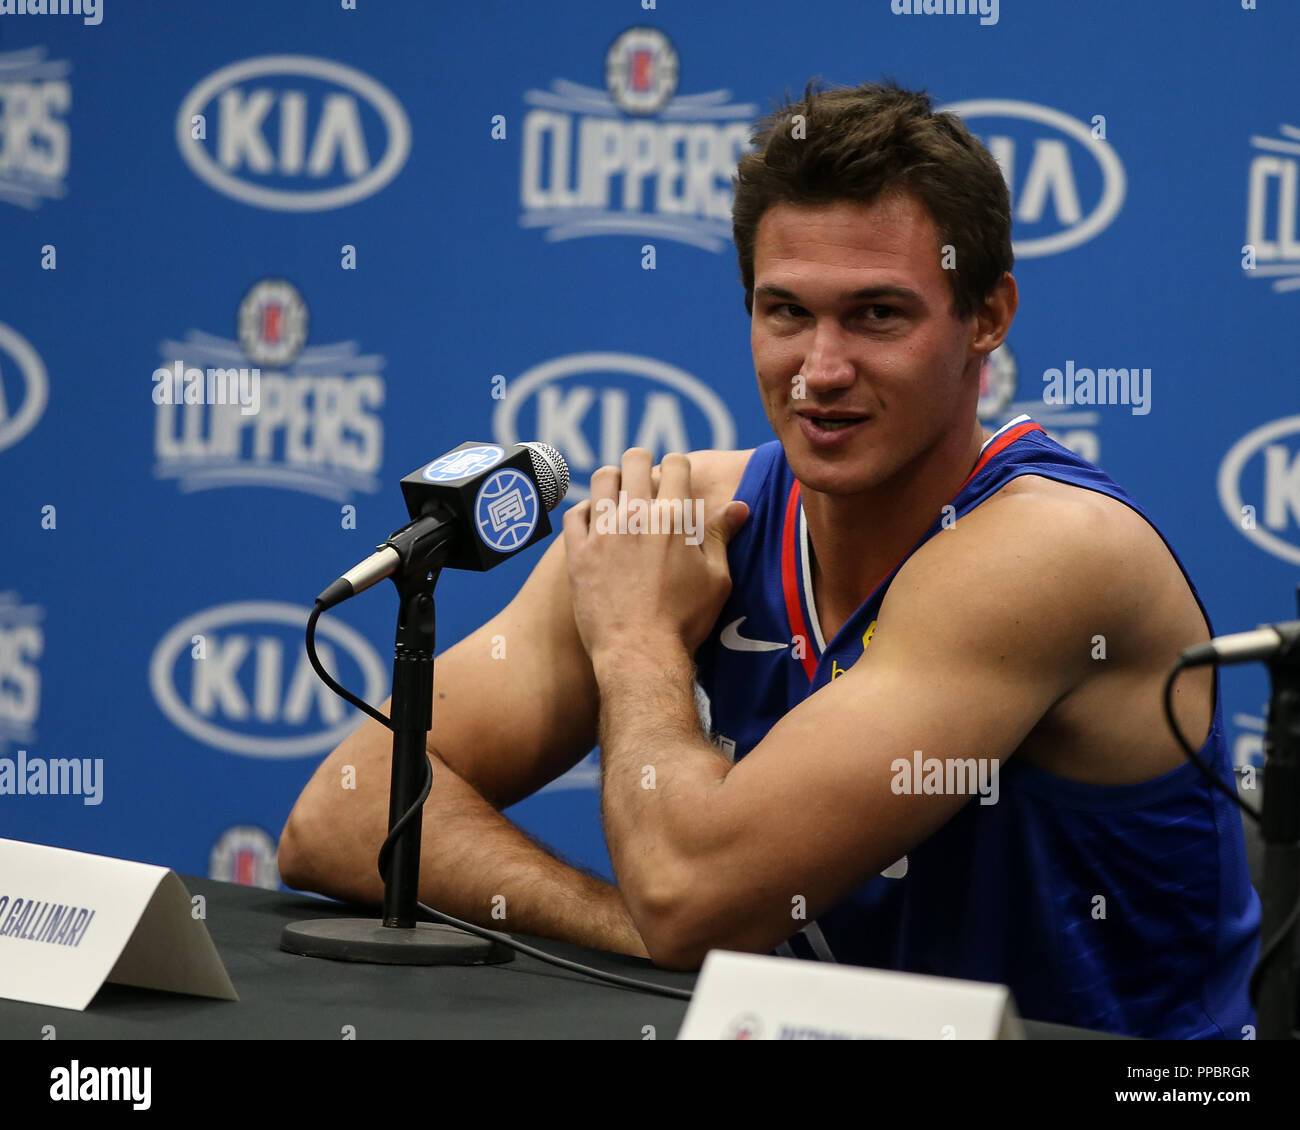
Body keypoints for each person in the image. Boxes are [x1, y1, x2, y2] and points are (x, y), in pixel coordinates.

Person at [278, 80, 1260, 1039]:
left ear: (987, 316)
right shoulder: (690, 519)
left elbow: (690, 899)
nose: (820, 370)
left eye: (878, 315)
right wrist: (623, 927)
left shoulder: (1050, 551)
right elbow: (345, 811)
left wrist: (633, 642)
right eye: (785, 311)